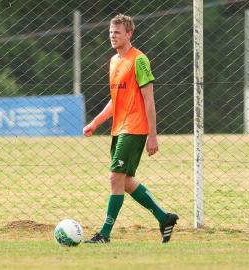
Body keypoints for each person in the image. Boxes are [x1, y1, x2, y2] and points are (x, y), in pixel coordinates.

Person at [83, 14, 178, 244]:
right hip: (119, 128)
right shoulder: (114, 61)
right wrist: (95, 122)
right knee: (124, 181)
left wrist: (152, 135)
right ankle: (164, 217)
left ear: (129, 34)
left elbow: (149, 100)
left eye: (117, 32)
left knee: (115, 177)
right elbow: (115, 100)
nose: (112, 36)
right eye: (110, 32)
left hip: (135, 129)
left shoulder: (139, 60)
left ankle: (104, 234)